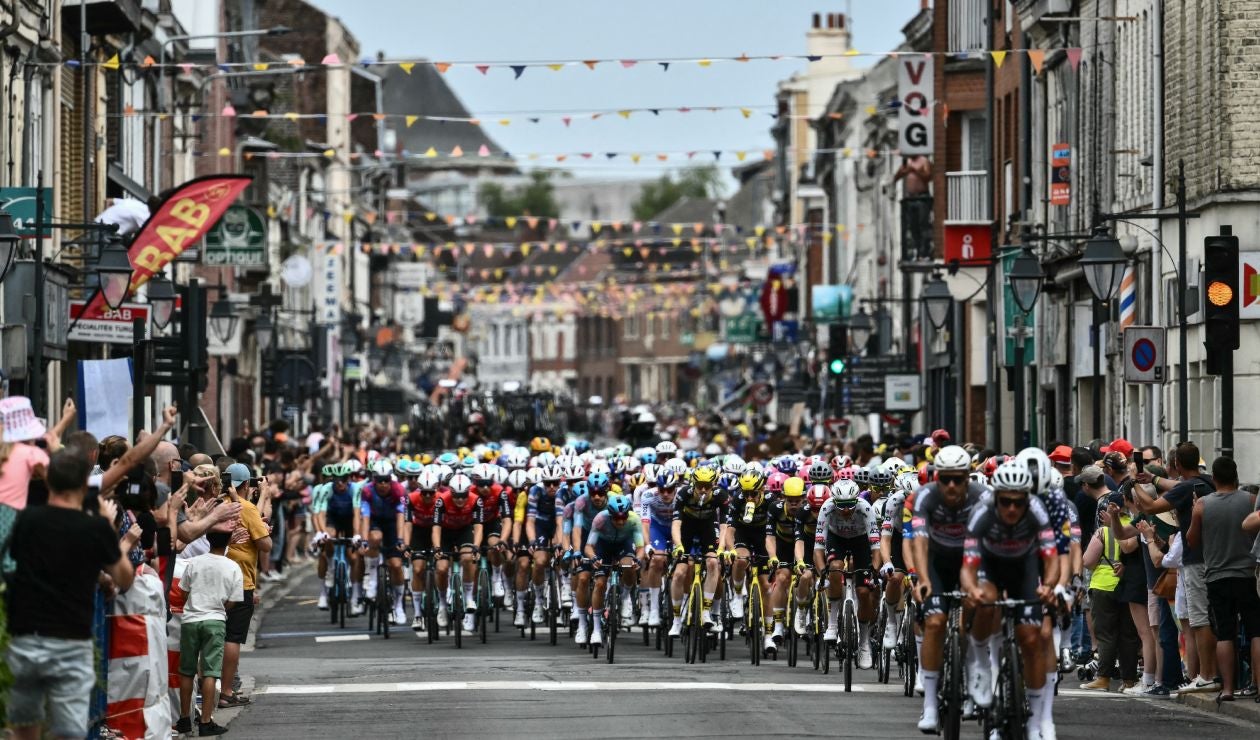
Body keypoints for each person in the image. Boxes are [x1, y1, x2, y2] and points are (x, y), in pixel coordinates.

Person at [5, 449, 137, 740]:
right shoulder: (93, 528)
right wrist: (106, 525)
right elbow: (125, 577)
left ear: (49, 483)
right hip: (70, 638)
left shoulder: (26, 520)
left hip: (27, 635)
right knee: (69, 731)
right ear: (83, 486)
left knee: (25, 724)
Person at [961, 461, 1059, 739]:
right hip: (989, 565)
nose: (1012, 508)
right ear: (996, 498)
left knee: (1031, 639)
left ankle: (1037, 721)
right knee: (985, 601)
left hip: (1023, 567)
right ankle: (980, 659)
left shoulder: (1037, 512)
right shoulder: (981, 512)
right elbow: (967, 565)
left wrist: (1048, 586)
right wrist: (972, 589)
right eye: (1006, 502)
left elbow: (1050, 559)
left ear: (1027, 498)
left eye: (1019, 502)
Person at [1133, 442, 1219, 693]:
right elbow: (1178, 486)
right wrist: (1152, 479)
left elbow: (1149, 507)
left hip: (1193, 560)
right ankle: (1211, 674)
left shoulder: (1185, 490)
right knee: (1212, 619)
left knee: (1198, 620)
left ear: (1177, 465)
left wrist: (1134, 484)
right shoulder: (1208, 483)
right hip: (1214, 558)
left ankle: (1205, 675)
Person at [911, 445, 985, 733]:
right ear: (937, 477)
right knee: (935, 622)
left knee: (970, 621)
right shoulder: (924, 496)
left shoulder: (983, 497)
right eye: (945, 479)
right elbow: (919, 541)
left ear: (968, 477)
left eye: (958, 478)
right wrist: (922, 578)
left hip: (970, 559)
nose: (951, 485)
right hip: (937, 561)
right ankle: (930, 705)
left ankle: (972, 680)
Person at [1190, 457, 1260, 703]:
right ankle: (1258, 687)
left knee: (1225, 633)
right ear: (1236, 476)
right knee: (1255, 630)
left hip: (1217, 576)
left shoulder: (1203, 505)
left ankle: (1228, 688)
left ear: (1214, 478)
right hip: (1247, 574)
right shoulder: (1251, 501)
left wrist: (1193, 513)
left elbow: (1192, 540)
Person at [176, 529, 244, 737]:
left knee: (187, 671)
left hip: (190, 621)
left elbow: (183, 591)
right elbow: (232, 601)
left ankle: (184, 719)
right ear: (229, 541)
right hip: (215, 620)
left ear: (207, 539)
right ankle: (206, 721)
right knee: (210, 672)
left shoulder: (194, 562)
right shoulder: (233, 566)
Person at [218, 467, 272, 710]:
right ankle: (227, 691)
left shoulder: (218, 504)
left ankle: (214, 688)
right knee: (232, 637)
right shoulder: (247, 508)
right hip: (240, 581)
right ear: (246, 484)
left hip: (213, 577)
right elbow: (265, 545)